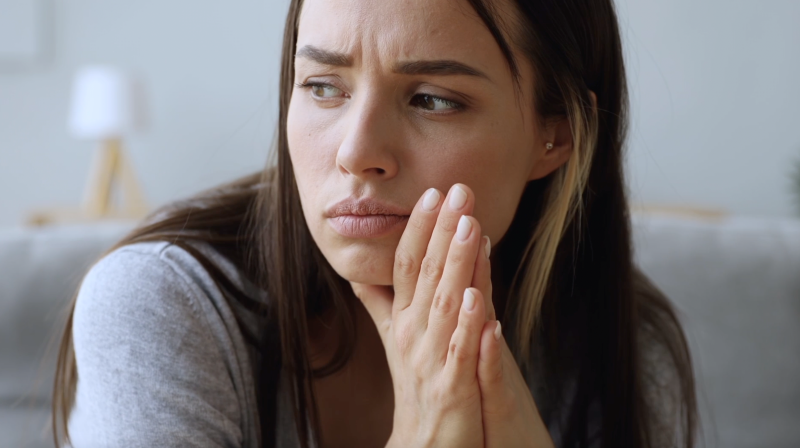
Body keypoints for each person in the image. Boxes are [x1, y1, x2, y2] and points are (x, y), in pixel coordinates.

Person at [51, 0, 699, 446]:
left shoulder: (621, 341)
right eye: (323, 86)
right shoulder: (159, 306)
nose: (356, 152)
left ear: (554, 138)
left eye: (432, 100)